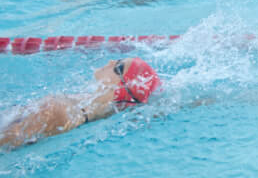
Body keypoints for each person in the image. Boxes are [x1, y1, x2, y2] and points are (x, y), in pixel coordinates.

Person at [0, 58, 160, 151]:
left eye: (118, 66)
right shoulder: (79, 105)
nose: (111, 61)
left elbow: (8, 137)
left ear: (119, 88)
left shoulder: (60, 112)